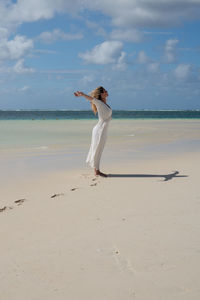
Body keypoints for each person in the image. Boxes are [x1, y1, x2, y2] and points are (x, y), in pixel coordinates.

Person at [74, 86, 112, 177]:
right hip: (99, 130)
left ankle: (97, 169)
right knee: (97, 149)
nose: (106, 92)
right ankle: (97, 171)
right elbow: (91, 99)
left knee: (99, 149)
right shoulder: (98, 102)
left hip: (103, 129)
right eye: (104, 91)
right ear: (101, 94)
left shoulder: (105, 104)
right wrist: (82, 94)